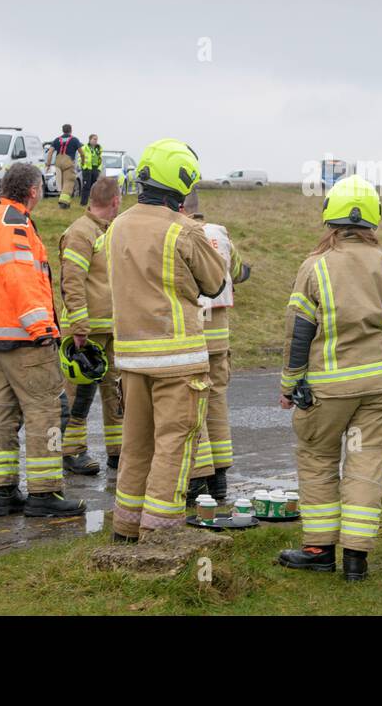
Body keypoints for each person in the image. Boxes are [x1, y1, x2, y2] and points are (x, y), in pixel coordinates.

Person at [277, 175, 382, 582]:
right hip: (380, 386)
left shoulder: (315, 267)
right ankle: (356, 559)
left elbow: (299, 332)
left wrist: (290, 384)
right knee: (366, 464)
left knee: (318, 459)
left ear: (330, 220)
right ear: (373, 220)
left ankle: (319, 550)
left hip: (329, 388)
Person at [108, 139, 227, 539]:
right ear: (180, 185)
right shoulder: (183, 229)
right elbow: (215, 283)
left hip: (130, 359)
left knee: (136, 445)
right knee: (174, 444)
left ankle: (125, 528)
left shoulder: (117, 225)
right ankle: (160, 534)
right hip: (177, 359)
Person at [0, 162, 85, 518]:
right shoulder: (15, 224)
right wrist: (42, 330)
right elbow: (21, 279)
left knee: (1, 414)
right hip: (23, 337)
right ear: (33, 191)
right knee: (45, 412)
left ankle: (2, 493)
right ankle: (45, 493)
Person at [181, 189, 251, 504]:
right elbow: (238, 272)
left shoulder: (179, 234)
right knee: (217, 402)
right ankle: (220, 480)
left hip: (192, 333)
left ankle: (201, 480)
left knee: (195, 404)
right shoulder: (220, 234)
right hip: (219, 336)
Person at [58, 176, 125, 473]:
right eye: (120, 198)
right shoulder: (80, 233)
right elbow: (71, 282)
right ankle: (72, 451)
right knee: (78, 394)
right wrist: (80, 326)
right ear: (114, 201)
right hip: (86, 331)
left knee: (116, 392)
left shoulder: (110, 231)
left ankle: (118, 451)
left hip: (112, 329)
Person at [47, 124, 82, 209]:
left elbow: (50, 152)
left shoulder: (56, 140)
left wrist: (48, 164)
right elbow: (82, 152)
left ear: (63, 130)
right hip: (68, 163)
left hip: (58, 163)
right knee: (68, 183)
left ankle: (65, 202)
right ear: (71, 130)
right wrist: (83, 161)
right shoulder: (74, 140)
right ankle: (63, 203)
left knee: (60, 183)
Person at [78, 134, 103, 206]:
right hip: (87, 169)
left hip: (95, 169)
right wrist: (83, 166)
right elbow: (80, 158)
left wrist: (99, 169)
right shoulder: (84, 148)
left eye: (96, 139)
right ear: (90, 140)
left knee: (95, 187)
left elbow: (100, 159)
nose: (95, 141)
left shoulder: (99, 148)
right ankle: (83, 203)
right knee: (86, 186)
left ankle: (94, 203)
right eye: (94, 139)